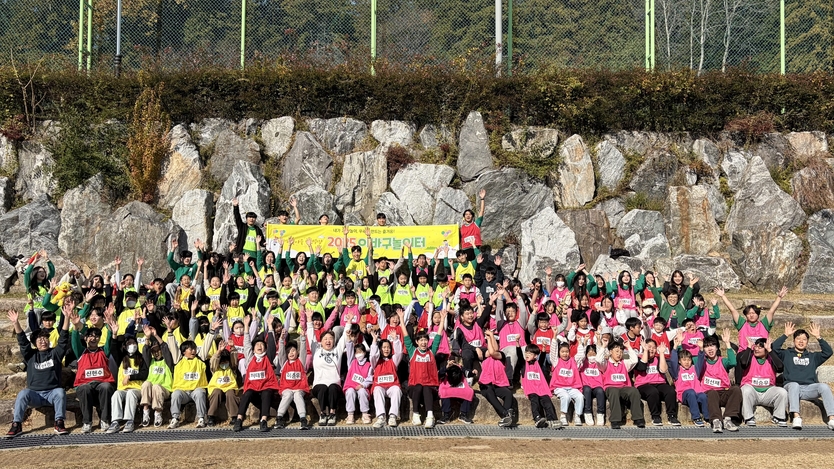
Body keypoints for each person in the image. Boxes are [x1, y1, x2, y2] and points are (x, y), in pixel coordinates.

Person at [5, 305, 70, 438]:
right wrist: (16, 323)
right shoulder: (30, 355)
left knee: (60, 392)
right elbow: (23, 341)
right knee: (23, 393)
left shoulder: (55, 353)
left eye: (45, 338)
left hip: (52, 394)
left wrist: (67, 317)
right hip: (35, 395)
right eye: (39, 340)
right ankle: (16, 424)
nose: (43, 341)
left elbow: (63, 339)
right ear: (35, 343)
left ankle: (59, 422)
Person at [773, 322, 834, 430]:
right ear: (794, 341)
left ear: (807, 342)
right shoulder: (786, 354)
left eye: (804, 339)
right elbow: (773, 348)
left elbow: (828, 352)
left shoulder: (813, 357)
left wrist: (819, 337)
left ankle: (831, 418)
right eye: (798, 339)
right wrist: (785, 335)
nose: (801, 341)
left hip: (808, 388)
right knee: (794, 385)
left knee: (824, 387)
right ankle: (796, 417)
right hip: (791, 387)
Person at [69, 305, 116, 433]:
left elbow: (109, 341)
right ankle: (87, 422)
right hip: (85, 384)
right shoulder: (81, 352)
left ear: (99, 339)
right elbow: (74, 342)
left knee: (106, 387)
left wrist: (109, 321)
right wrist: (75, 326)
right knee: (84, 389)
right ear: (85, 338)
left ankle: (105, 420)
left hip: (102, 383)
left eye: (96, 336)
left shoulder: (104, 351)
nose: (93, 338)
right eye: (90, 336)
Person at [166, 315, 214, 429]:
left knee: (200, 393)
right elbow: (172, 346)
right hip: (183, 391)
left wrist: (212, 331)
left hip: (196, 389)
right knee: (175, 394)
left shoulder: (200, 358)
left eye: (194, 349)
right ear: (183, 351)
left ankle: (201, 418)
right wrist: (169, 331)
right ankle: (175, 418)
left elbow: (207, 345)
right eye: (190, 349)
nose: (193, 351)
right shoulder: (178, 359)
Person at [233, 314, 279, 432]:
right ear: (253, 349)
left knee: (267, 393)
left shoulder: (268, 357)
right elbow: (247, 344)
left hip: (265, 388)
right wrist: (246, 326)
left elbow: (272, 345)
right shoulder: (250, 358)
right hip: (253, 388)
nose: (259, 346)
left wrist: (270, 326)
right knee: (246, 394)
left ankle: (263, 420)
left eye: (262, 345)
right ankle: (239, 419)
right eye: (257, 345)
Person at [306, 300, 347, 426]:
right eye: (325, 339)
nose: (328, 341)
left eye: (330, 339)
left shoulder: (337, 350)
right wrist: (309, 320)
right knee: (323, 388)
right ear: (321, 341)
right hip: (319, 384)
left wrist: (349, 323)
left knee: (333, 388)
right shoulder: (316, 350)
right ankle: (323, 414)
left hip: (334, 383)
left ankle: (333, 413)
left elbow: (344, 338)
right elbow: (311, 336)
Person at [401, 310, 441, 428]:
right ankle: (416, 415)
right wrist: (402, 320)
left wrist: (443, 319)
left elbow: (438, 338)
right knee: (418, 386)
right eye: (421, 340)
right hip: (415, 387)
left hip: (429, 386)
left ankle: (430, 416)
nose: (423, 342)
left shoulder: (431, 352)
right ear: (417, 342)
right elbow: (406, 337)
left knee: (426, 388)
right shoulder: (413, 351)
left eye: (425, 340)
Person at [738, 337, 788, 427]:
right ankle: (748, 417)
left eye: (760, 347)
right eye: (756, 346)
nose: (756, 349)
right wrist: (749, 347)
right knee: (746, 390)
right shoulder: (750, 356)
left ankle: (778, 417)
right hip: (752, 391)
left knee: (782, 392)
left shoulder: (771, 359)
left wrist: (770, 351)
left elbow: (780, 367)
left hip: (767, 392)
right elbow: (743, 363)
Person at [595, 335, 643, 429]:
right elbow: (598, 360)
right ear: (610, 352)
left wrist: (629, 347)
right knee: (614, 392)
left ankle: (638, 418)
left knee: (634, 391)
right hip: (610, 388)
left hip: (624, 388)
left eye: (621, 352)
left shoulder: (624, 363)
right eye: (617, 351)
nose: (619, 354)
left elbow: (634, 360)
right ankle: (615, 420)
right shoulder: (606, 363)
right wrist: (603, 346)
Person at [701, 329, 741, 433]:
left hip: (723, 392)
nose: (710, 349)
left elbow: (733, 362)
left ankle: (728, 419)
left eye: (712, 346)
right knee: (712, 392)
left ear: (717, 348)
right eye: (707, 346)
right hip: (710, 394)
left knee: (736, 389)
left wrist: (727, 344)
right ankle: (716, 421)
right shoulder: (702, 362)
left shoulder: (722, 361)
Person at [108, 335, 149, 433]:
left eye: (134, 343)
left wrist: (130, 377)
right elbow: (113, 349)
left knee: (131, 394)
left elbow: (144, 374)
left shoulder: (141, 358)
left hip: (136, 389)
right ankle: (115, 421)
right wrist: (114, 335)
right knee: (116, 395)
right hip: (123, 388)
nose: (132, 345)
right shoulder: (121, 358)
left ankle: (129, 421)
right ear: (124, 346)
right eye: (129, 343)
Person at [633, 339, 679, 426]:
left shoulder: (658, 358)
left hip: (659, 383)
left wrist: (661, 353)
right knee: (652, 391)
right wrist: (645, 351)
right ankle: (655, 416)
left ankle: (672, 416)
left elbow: (663, 370)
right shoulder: (638, 358)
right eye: (649, 347)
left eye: (654, 347)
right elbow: (642, 367)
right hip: (643, 385)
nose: (651, 349)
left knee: (670, 391)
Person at [274, 327, 310, 430]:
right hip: (286, 388)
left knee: (298, 395)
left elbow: (303, 351)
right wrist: (281, 340)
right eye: (289, 351)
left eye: (293, 351)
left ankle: (303, 419)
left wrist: (303, 338)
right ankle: (279, 417)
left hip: (299, 387)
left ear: (297, 352)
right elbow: (281, 353)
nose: (291, 353)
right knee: (288, 395)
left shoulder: (301, 361)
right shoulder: (284, 362)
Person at [669, 331, 708, 426]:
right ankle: (696, 417)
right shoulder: (677, 371)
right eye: (684, 360)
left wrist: (701, 349)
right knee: (690, 392)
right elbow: (673, 362)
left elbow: (701, 361)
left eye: (689, 360)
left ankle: (708, 417)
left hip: (696, 394)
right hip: (685, 395)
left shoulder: (695, 369)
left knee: (703, 396)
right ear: (680, 361)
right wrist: (675, 347)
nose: (687, 362)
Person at [479, 329, 516, 427]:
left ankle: (505, 418)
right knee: (489, 392)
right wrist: (489, 339)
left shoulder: (501, 355)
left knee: (508, 393)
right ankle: (506, 414)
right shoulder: (485, 355)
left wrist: (491, 336)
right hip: (486, 384)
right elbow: (490, 352)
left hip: (499, 384)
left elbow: (494, 351)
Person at [140, 325, 174, 428]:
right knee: (146, 384)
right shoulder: (150, 362)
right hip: (151, 390)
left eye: (158, 350)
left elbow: (165, 348)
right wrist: (147, 337)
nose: (156, 353)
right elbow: (145, 351)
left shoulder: (167, 362)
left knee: (156, 387)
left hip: (164, 389)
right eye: (154, 351)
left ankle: (158, 414)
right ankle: (145, 412)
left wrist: (156, 335)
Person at [521, 343, 560, 428]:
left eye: (530, 353)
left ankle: (552, 419)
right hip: (531, 389)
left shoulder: (538, 364)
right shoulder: (523, 365)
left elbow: (542, 357)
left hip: (541, 389)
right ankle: (537, 418)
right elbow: (519, 355)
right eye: (526, 352)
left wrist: (544, 348)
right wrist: (517, 343)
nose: (527, 354)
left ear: (535, 356)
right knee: (535, 401)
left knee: (547, 402)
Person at [370, 333, 404, 428]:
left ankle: (393, 416)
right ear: (380, 349)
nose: (386, 349)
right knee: (377, 390)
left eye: (388, 347)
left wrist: (396, 340)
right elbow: (373, 355)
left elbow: (399, 353)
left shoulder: (393, 360)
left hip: (391, 386)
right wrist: (374, 341)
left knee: (397, 390)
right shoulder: (376, 362)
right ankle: (381, 417)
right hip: (380, 386)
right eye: (384, 347)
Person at [549, 340, 584, 426]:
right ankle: (563, 416)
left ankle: (578, 416)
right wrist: (554, 338)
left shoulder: (574, 361)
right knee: (566, 396)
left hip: (572, 387)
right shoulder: (556, 361)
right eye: (562, 352)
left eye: (567, 351)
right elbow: (553, 352)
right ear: (559, 352)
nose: (565, 354)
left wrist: (580, 343)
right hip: (559, 387)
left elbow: (581, 355)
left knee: (580, 396)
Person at [459, 189, 486, 260]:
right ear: (464, 217)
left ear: (472, 216)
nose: (468, 216)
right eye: (466, 214)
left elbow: (482, 211)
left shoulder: (476, 224)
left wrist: (482, 199)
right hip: (465, 250)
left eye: (470, 214)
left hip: (475, 248)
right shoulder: (461, 228)